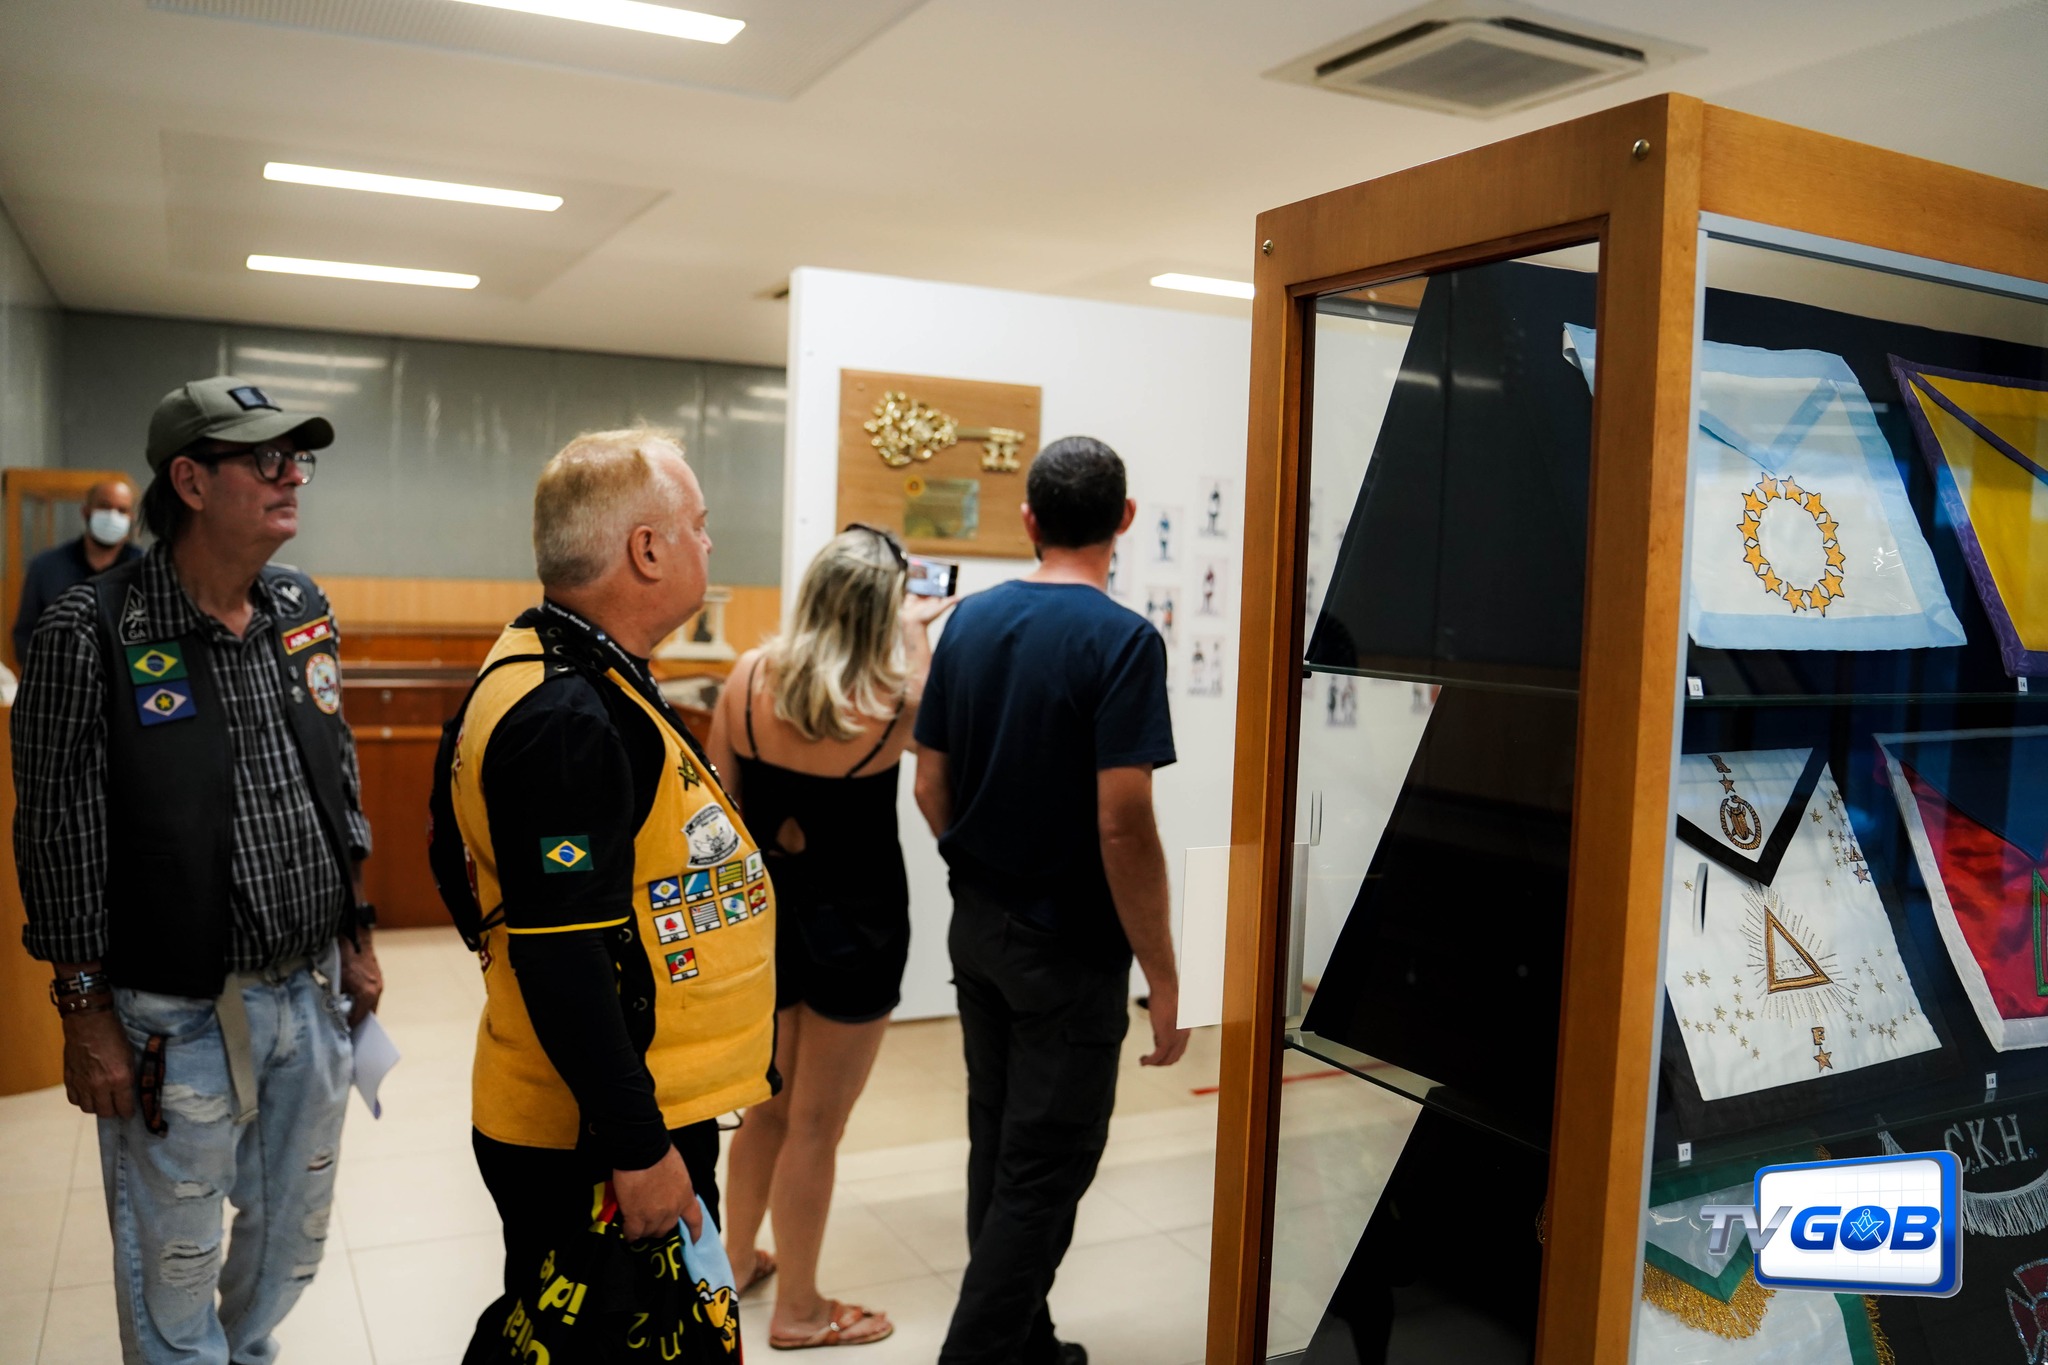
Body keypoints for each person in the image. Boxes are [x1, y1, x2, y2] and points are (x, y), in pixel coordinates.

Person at [12, 375, 381, 1365]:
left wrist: (356, 934)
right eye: (267, 459)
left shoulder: (301, 606)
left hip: (308, 989)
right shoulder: (88, 631)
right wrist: (84, 1013)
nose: (292, 477)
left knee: (291, 1241)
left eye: (299, 459)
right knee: (174, 1264)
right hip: (170, 1016)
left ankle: (245, 1352)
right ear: (190, 480)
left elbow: (335, 777)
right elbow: (56, 836)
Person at [441, 427, 778, 1357]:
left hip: (617, 1104)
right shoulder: (566, 717)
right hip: (599, 1132)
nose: (709, 542)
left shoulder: (559, 662)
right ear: (647, 548)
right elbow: (564, 955)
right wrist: (640, 1149)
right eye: (698, 525)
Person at [913, 435, 1190, 1365]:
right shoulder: (1123, 641)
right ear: (1124, 518)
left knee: (997, 1140)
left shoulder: (970, 623)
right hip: (1067, 952)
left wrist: (979, 872)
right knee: (1046, 1168)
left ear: (1029, 518)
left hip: (979, 929)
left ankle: (1026, 1345)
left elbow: (928, 784)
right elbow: (1124, 823)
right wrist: (1163, 971)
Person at [709, 525, 954, 1351]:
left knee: (765, 1110)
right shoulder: (892, 703)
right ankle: (801, 1310)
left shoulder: (747, 678)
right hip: (861, 925)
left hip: (767, 921)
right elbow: (932, 721)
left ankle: (735, 1261)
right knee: (817, 1124)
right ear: (882, 609)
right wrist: (915, 632)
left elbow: (719, 813)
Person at [12, 477, 142, 663]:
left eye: (122, 510)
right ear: (86, 511)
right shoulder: (46, 567)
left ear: (131, 517)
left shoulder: (146, 568)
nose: (113, 516)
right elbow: (26, 634)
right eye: (104, 506)